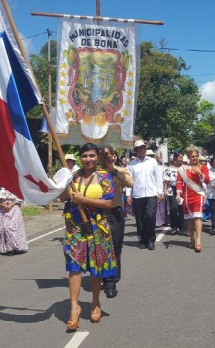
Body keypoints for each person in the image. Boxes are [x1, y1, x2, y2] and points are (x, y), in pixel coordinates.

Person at [59, 143, 118, 332]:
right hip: (75, 226)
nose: (88, 159)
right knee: (74, 266)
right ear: (80, 158)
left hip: (97, 226)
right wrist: (63, 181)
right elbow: (62, 199)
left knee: (96, 265)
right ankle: (74, 308)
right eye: (84, 156)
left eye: (92, 156)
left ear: (97, 157)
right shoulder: (73, 176)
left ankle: (94, 302)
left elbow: (108, 202)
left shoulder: (104, 177)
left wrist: (83, 200)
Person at [100, 146, 133, 299]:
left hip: (115, 213)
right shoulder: (94, 172)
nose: (105, 157)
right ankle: (107, 280)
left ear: (114, 156)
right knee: (101, 248)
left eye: (108, 154)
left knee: (114, 247)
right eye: (102, 154)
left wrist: (113, 171)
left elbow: (129, 182)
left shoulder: (120, 170)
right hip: (98, 214)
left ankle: (112, 279)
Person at [126, 140, 164, 250]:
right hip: (137, 195)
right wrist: (128, 194)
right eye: (139, 148)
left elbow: (158, 178)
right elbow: (129, 181)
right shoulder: (132, 164)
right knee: (140, 218)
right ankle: (142, 239)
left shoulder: (152, 161)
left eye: (143, 147)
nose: (142, 150)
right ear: (136, 150)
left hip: (151, 194)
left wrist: (160, 193)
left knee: (151, 217)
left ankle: (150, 240)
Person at [176, 146, 209, 253]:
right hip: (186, 196)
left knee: (197, 217)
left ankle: (199, 240)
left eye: (196, 156)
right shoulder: (183, 168)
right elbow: (179, 181)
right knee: (190, 219)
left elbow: (208, 180)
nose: (194, 158)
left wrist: (200, 173)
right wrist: (178, 192)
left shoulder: (203, 167)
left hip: (198, 195)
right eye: (192, 156)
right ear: (189, 157)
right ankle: (191, 238)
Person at [0, 185, 28, 255]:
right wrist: (2, 204)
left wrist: (11, 205)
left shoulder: (15, 182)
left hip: (14, 208)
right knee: (3, 228)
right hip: (2, 209)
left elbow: (20, 197)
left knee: (10, 227)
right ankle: (9, 248)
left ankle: (15, 246)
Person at [164, 151, 185, 235]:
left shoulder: (184, 168)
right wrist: (165, 190)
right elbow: (166, 180)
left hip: (182, 189)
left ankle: (182, 227)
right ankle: (174, 227)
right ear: (175, 158)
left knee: (182, 208)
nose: (181, 159)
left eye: (182, 157)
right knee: (173, 208)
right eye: (180, 157)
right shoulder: (169, 168)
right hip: (172, 189)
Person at [152, 151, 168, 228]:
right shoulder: (152, 167)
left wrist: (164, 188)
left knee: (161, 205)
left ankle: (163, 220)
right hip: (153, 187)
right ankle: (156, 221)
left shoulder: (162, 167)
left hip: (160, 186)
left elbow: (165, 178)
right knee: (155, 206)